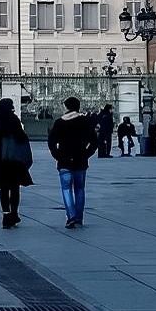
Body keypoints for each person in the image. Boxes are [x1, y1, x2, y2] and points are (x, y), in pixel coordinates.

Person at [47, 96, 98, 229]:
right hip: (80, 160)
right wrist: (87, 154)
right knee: (80, 189)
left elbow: (51, 142)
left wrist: (56, 155)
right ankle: (79, 218)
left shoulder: (59, 123)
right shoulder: (85, 121)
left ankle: (71, 216)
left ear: (67, 107)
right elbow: (94, 141)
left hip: (64, 160)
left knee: (66, 189)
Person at [0, 98, 33, 228]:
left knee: (3, 188)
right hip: (14, 161)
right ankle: (14, 213)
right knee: (14, 188)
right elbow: (22, 137)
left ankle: (6, 214)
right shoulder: (13, 119)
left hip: (0, 161)